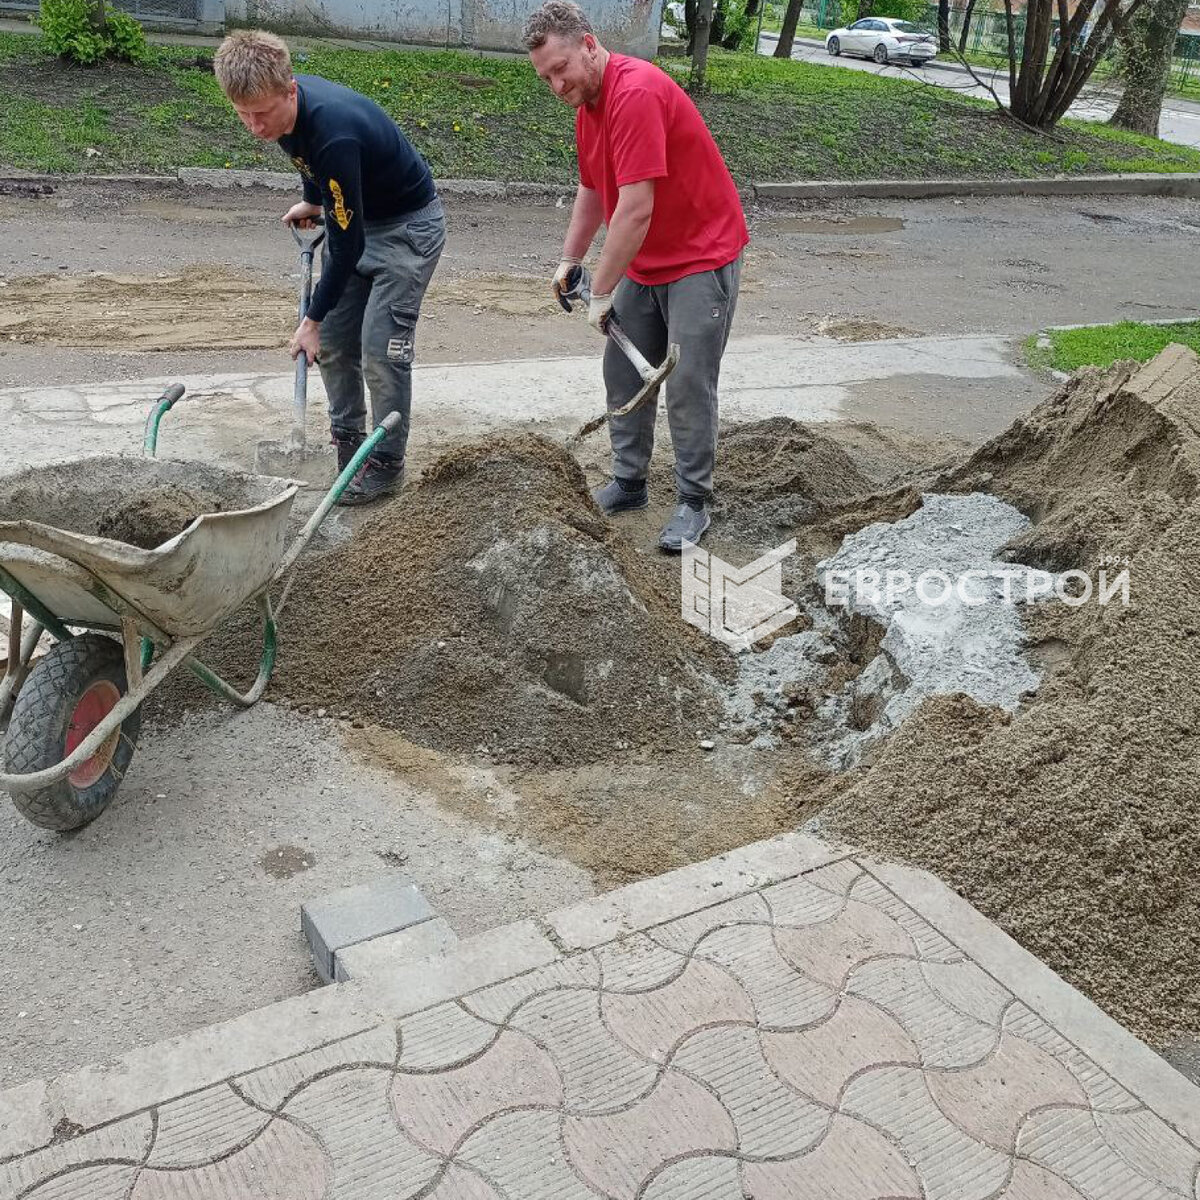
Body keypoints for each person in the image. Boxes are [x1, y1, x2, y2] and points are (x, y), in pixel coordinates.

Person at [524, 0, 748, 551]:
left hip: (701, 254)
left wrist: (601, 291)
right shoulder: (588, 108)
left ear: (590, 45)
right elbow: (595, 189)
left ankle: (694, 502)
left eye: (561, 69)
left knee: (688, 381)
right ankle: (629, 484)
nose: (556, 85)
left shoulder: (636, 92)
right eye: (546, 76)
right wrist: (569, 260)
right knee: (624, 373)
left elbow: (635, 208)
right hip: (647, 260)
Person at [213, 30, 445, 505]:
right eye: (243, 115)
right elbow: (307, 158)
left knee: (381, 351)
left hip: (406, 231)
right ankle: (349, 441)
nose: (255, 127)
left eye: (261, 114)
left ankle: (385, 464)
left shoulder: (334, 133)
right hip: (359, 218)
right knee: (337, 346)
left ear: (291, 91)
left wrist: (310, 321)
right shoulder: (283, 112)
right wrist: (314, 199)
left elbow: (345, 245)